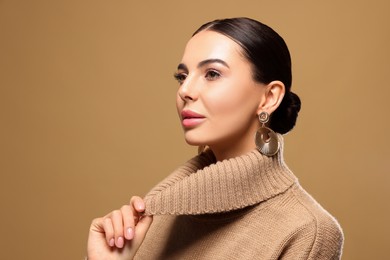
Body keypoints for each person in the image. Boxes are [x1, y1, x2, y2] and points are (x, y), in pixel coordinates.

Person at [87, 17, 344, 259]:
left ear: (269, 97)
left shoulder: (307, 230)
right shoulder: (157, 212)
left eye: (212, 74)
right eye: (182, 76)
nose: (185, 91)